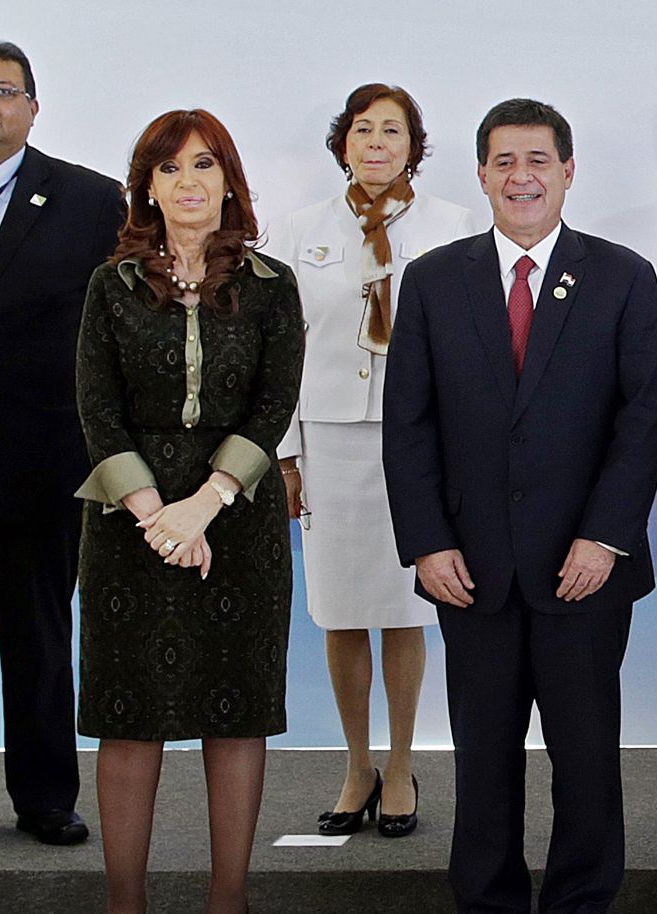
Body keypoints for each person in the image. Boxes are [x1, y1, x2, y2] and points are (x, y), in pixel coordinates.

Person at [382, 98, 657, 914]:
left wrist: (605, 539)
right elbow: (409, 424)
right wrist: (428, 545)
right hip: (470, 571)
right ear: (480, 176)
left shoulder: (621, 276)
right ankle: (489, 901)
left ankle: (582, 900)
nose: (522, 176)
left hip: (584, 569)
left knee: (585, 760)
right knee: (483, 760)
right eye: (504, 162)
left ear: (569, 172)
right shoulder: (435, 280)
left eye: (538, 160)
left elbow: (642, 419)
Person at [74, 109, 302, 914]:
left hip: (236, 515)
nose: (187, 183)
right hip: (128, 523)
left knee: (234, 711)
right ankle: (123, 903)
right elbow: (98, 412)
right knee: (127, 716)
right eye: (168, 169)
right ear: (147, 187)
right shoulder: (112, 284)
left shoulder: (273, 284)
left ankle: (227, 899)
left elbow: (273, 408)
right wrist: (154, 516)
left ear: (228, 179)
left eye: (203, 165)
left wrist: (204, 506)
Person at [267, 82, 474, 839]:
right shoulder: (297, 231)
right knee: (343, 612)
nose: (377, 143)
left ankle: (399, 765)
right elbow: (278, 348)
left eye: (393, 131)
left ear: (414, 145)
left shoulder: (457, 227)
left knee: (404, 607)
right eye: (363, 130)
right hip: (329, 442)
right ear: (343, 143)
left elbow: (471, 349)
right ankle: (355, 763)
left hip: (420, 442)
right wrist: (285, 456)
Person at [0, 37, 121, 848]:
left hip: (41, 463)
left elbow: (114, 331)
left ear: (32, 106)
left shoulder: (89, 201)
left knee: (40, 637)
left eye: (3, 91)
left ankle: (46, 795)